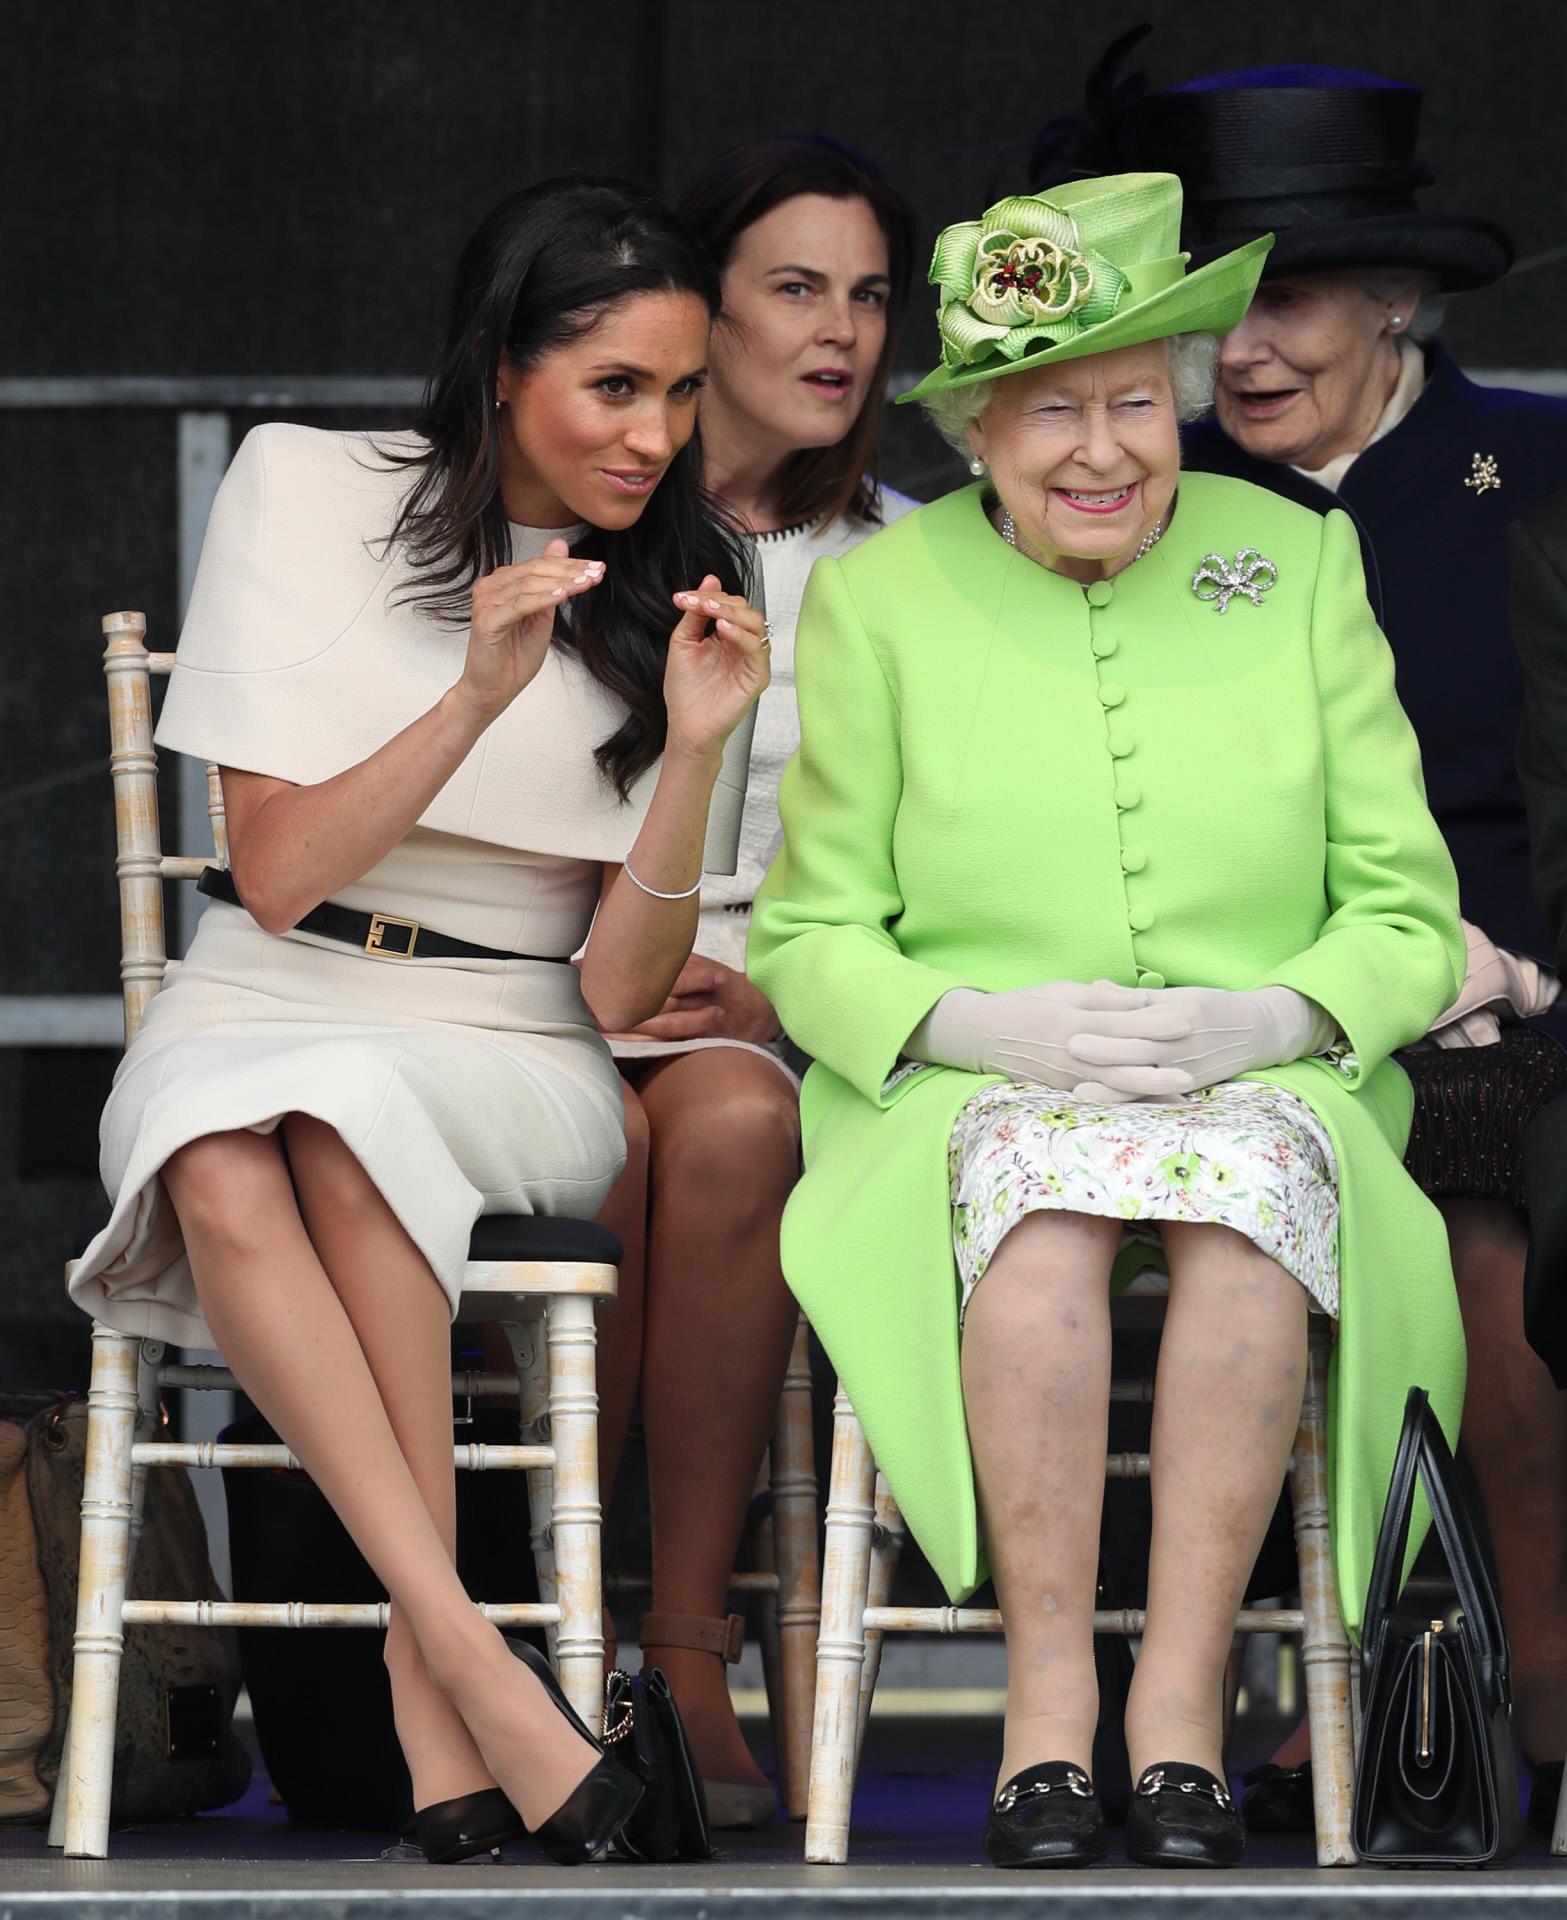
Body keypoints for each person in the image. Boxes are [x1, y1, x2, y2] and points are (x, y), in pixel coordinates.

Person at [749, 171, 1465, 1869]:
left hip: (1262, 1073)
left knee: (1247, 1221)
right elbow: (811, 930)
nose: (1101, 451)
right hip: (973, 1084)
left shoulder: (1297, 560)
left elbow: (1406, 908)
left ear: (1184, 400)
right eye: (1053, 408)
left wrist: (1277, 1013)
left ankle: (1182, 1712)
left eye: (1137, 403)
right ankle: (1050, 1704)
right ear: (979, 429)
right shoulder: (881, 600)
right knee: (1047, 1224)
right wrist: (975, 1026)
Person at [68, 178, 769, 1866]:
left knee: (316, 1120)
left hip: (516, 1032)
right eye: (617, 387)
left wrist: (693, 753)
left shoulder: (691, 576)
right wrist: (470, 697)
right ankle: (459, 1650)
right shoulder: (306, 491)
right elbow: (284, 877)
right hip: (269, 981)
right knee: (233, 1146)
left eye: (683, 394)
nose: (657, 436)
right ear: (500, 366)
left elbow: (614, 994)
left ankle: (437, 1669)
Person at [1136, 65, 1567, 1828]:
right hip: (1232, 1011)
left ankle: (1509, 1698)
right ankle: (1382, 1690)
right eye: (1212, 301)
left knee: (1485, 1208)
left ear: (1396, 295)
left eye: (1288, 294)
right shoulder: (1138, 497)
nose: (1240, 348)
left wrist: (1523, 966)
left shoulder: (1540, 470)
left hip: (1512, 994)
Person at [588, 136, 917, 1826]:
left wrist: (784, 995)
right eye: (795, 287)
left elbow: (959, 864)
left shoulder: (922, 557)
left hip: (784, 1005)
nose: (840, 329)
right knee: (624, 1141)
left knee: (721, 1127)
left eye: (868, 294)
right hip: (551, 973)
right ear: (696, 310)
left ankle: (682, 1643)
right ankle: (557, 1643)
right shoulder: (593, 514)